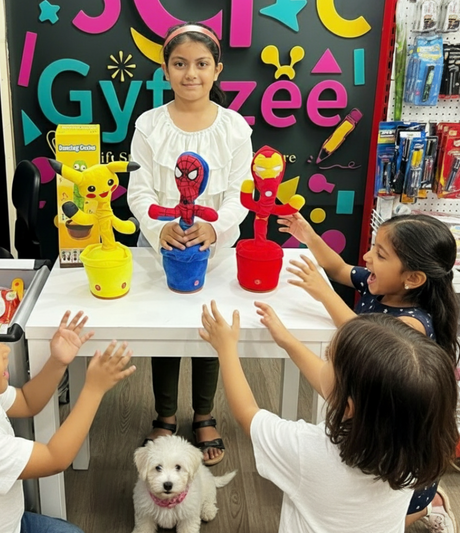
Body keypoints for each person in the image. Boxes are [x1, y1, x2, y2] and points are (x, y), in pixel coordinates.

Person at [199, 300, 459, 533]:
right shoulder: (412, 445)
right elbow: (336, 390)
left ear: (349, 407)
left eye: (328, 359)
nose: (324, 364)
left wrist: (226, 349)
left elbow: (247, 414)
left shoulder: (309, 451)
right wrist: (288, 340)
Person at [277, 212, 460, 531]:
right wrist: (309, 236)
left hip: (397, 458)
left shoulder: (412, 322)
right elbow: (337, 268)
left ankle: (429, 509)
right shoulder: (382, 286)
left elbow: (364, 338)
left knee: (377, 508)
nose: (366, 257)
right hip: (377, 436)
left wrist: (324, 294)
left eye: (379, 254)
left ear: (413, 278)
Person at [127, 22, 252, 465]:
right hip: (162, 247)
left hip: (214, 253)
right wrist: (158, 227)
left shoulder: (235, 128)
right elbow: (138, 190)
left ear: (217, 70)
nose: (190, 74)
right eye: (179, 64)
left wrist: (214, 230)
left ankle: (204, 413)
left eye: (201, 64)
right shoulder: (148, 125)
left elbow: (241, 194)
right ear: (165, 69)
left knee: (208, 330)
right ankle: (165, 414)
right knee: (165, 331)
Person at [0, 300, 136, 533]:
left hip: (9, 522)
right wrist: (94, 389)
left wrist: (58, 361)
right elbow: (54, 458)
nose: (6, 351)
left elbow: (27, 401)